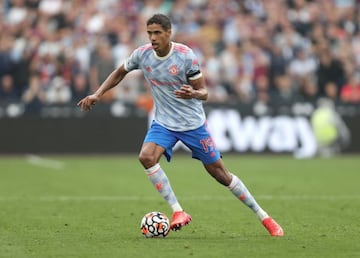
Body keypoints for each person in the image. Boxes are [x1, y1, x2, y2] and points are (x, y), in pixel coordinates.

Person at [77, 14, 284, 236]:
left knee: (221, 175)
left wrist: (193, 93)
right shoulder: (142, 54)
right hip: (164, 123)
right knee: (146, 157)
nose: (152, 38)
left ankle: (265, 217)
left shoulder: (185, 56)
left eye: (157, 33)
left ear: (168, 33)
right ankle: (178, 211)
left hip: (193, 124)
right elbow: (120, 72)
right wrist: (98, 94)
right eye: (149, 33)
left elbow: (204, 93)